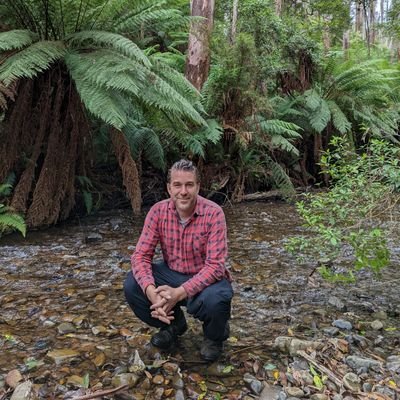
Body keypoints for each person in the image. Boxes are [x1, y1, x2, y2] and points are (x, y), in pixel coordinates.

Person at [124, 159, 233, 361]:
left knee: (217, 299)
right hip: (172, 273)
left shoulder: (214, 213)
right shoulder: (158, 211)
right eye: (177, 185)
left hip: (205, 280)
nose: (183, 191)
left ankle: (214, 336)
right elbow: (140, 256)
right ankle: (173, 325)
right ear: (168, 188)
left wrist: (178, 293)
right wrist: (151, 293)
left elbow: (216, 267)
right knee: (133, 283)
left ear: (198, 187)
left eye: (189, 185)